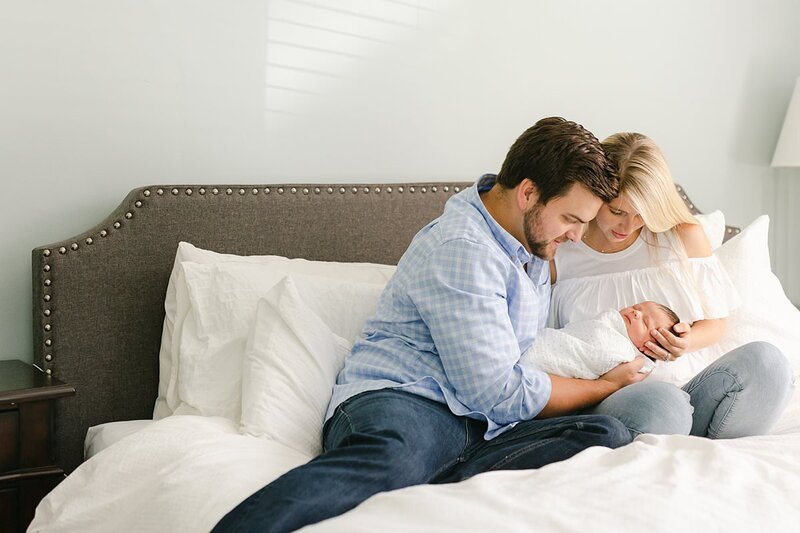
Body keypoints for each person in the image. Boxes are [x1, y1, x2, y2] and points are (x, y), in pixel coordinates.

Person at [213, 118, 643, 533]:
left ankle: (440, 488)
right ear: (528, 193)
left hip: (482, 427)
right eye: (571, 219)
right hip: (409, 401)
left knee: (604, 432)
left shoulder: (529, 241)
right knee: (397, 459)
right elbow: (497, 391)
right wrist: (606, 386)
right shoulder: (463, 248)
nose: (576, 236)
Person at [549, 131, 795, 439]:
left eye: (641, 215)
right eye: (617, 211)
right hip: (615, 399)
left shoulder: (682, 235)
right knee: (665, 405)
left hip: (691, 391)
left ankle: (707, 454)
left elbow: (716, 322)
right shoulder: (562, 249)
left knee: (768, 363)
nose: (627, 227)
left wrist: (685, 341)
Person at [523, 301, 679, 380]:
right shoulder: (605, 325)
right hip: (540, 344)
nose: (636, 313)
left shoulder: (625, 356)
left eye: (645, 323)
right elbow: (576, 336)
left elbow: (600, 355)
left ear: (649, 348)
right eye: (636, 307)